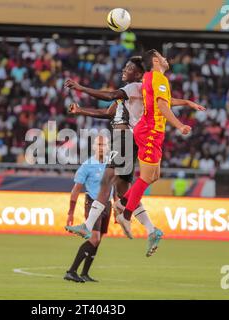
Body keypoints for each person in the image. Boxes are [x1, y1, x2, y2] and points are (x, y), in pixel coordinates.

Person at [64, 55, 204, 256]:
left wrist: (81, 88)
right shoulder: (134, 92)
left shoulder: (132, 88)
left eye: (128, 68)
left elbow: (110, 96)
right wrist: (81, 110)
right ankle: (151, 229)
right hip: (133, 139)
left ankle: (88, 224)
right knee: (124, 190)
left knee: (107, 180)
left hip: (126, 138)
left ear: (138, 73)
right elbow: (108, 112)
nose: (124, 70)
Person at [115, 49, 191, 242]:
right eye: (163, 57)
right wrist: (180, 125)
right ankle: (125, 215)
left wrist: (187, 103)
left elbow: (165, 101)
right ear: (156, 60)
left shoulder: (150, 78)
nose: (166, 59)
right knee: (147, 176)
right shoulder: (159, 79)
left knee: (154, 176)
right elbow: (163, 106)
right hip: (150, 131)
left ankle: (122, 203)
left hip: (150, 130)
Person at [64, 135, 111, 282]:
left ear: (108, 147)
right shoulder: (87, 165)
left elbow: (113, 186)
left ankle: (84, 273)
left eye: (104, 145)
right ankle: (71, 271)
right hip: (92, 203)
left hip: (107, 204)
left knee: (98, 239)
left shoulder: (112, 164)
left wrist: (116, 207)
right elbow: (75, 189)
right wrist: (70, 213)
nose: (101, 147)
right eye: (99, 145)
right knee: (94, 238)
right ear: (94, 147)